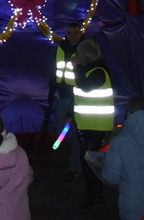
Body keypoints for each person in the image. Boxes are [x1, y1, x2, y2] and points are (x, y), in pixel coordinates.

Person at [71, 38, 114, 209]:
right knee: (90, 163)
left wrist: (77, 67)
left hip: (98, 126)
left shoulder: (98, 72)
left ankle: (94, 197)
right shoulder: (90, 70)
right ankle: (96, 195)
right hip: (88, 125)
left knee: (90, 164)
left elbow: (85, 87)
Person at [48, 22, 83, 181]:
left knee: (74, 132)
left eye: (75, 32)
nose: (73, 36)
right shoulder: (61, 47)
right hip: (64, 95)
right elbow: (57, 70)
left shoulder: (85, 48)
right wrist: (52, 91)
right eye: (70, 33)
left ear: (80, 33)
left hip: (80, 97)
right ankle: (79, 159)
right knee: (62, 129)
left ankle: (75, 167)